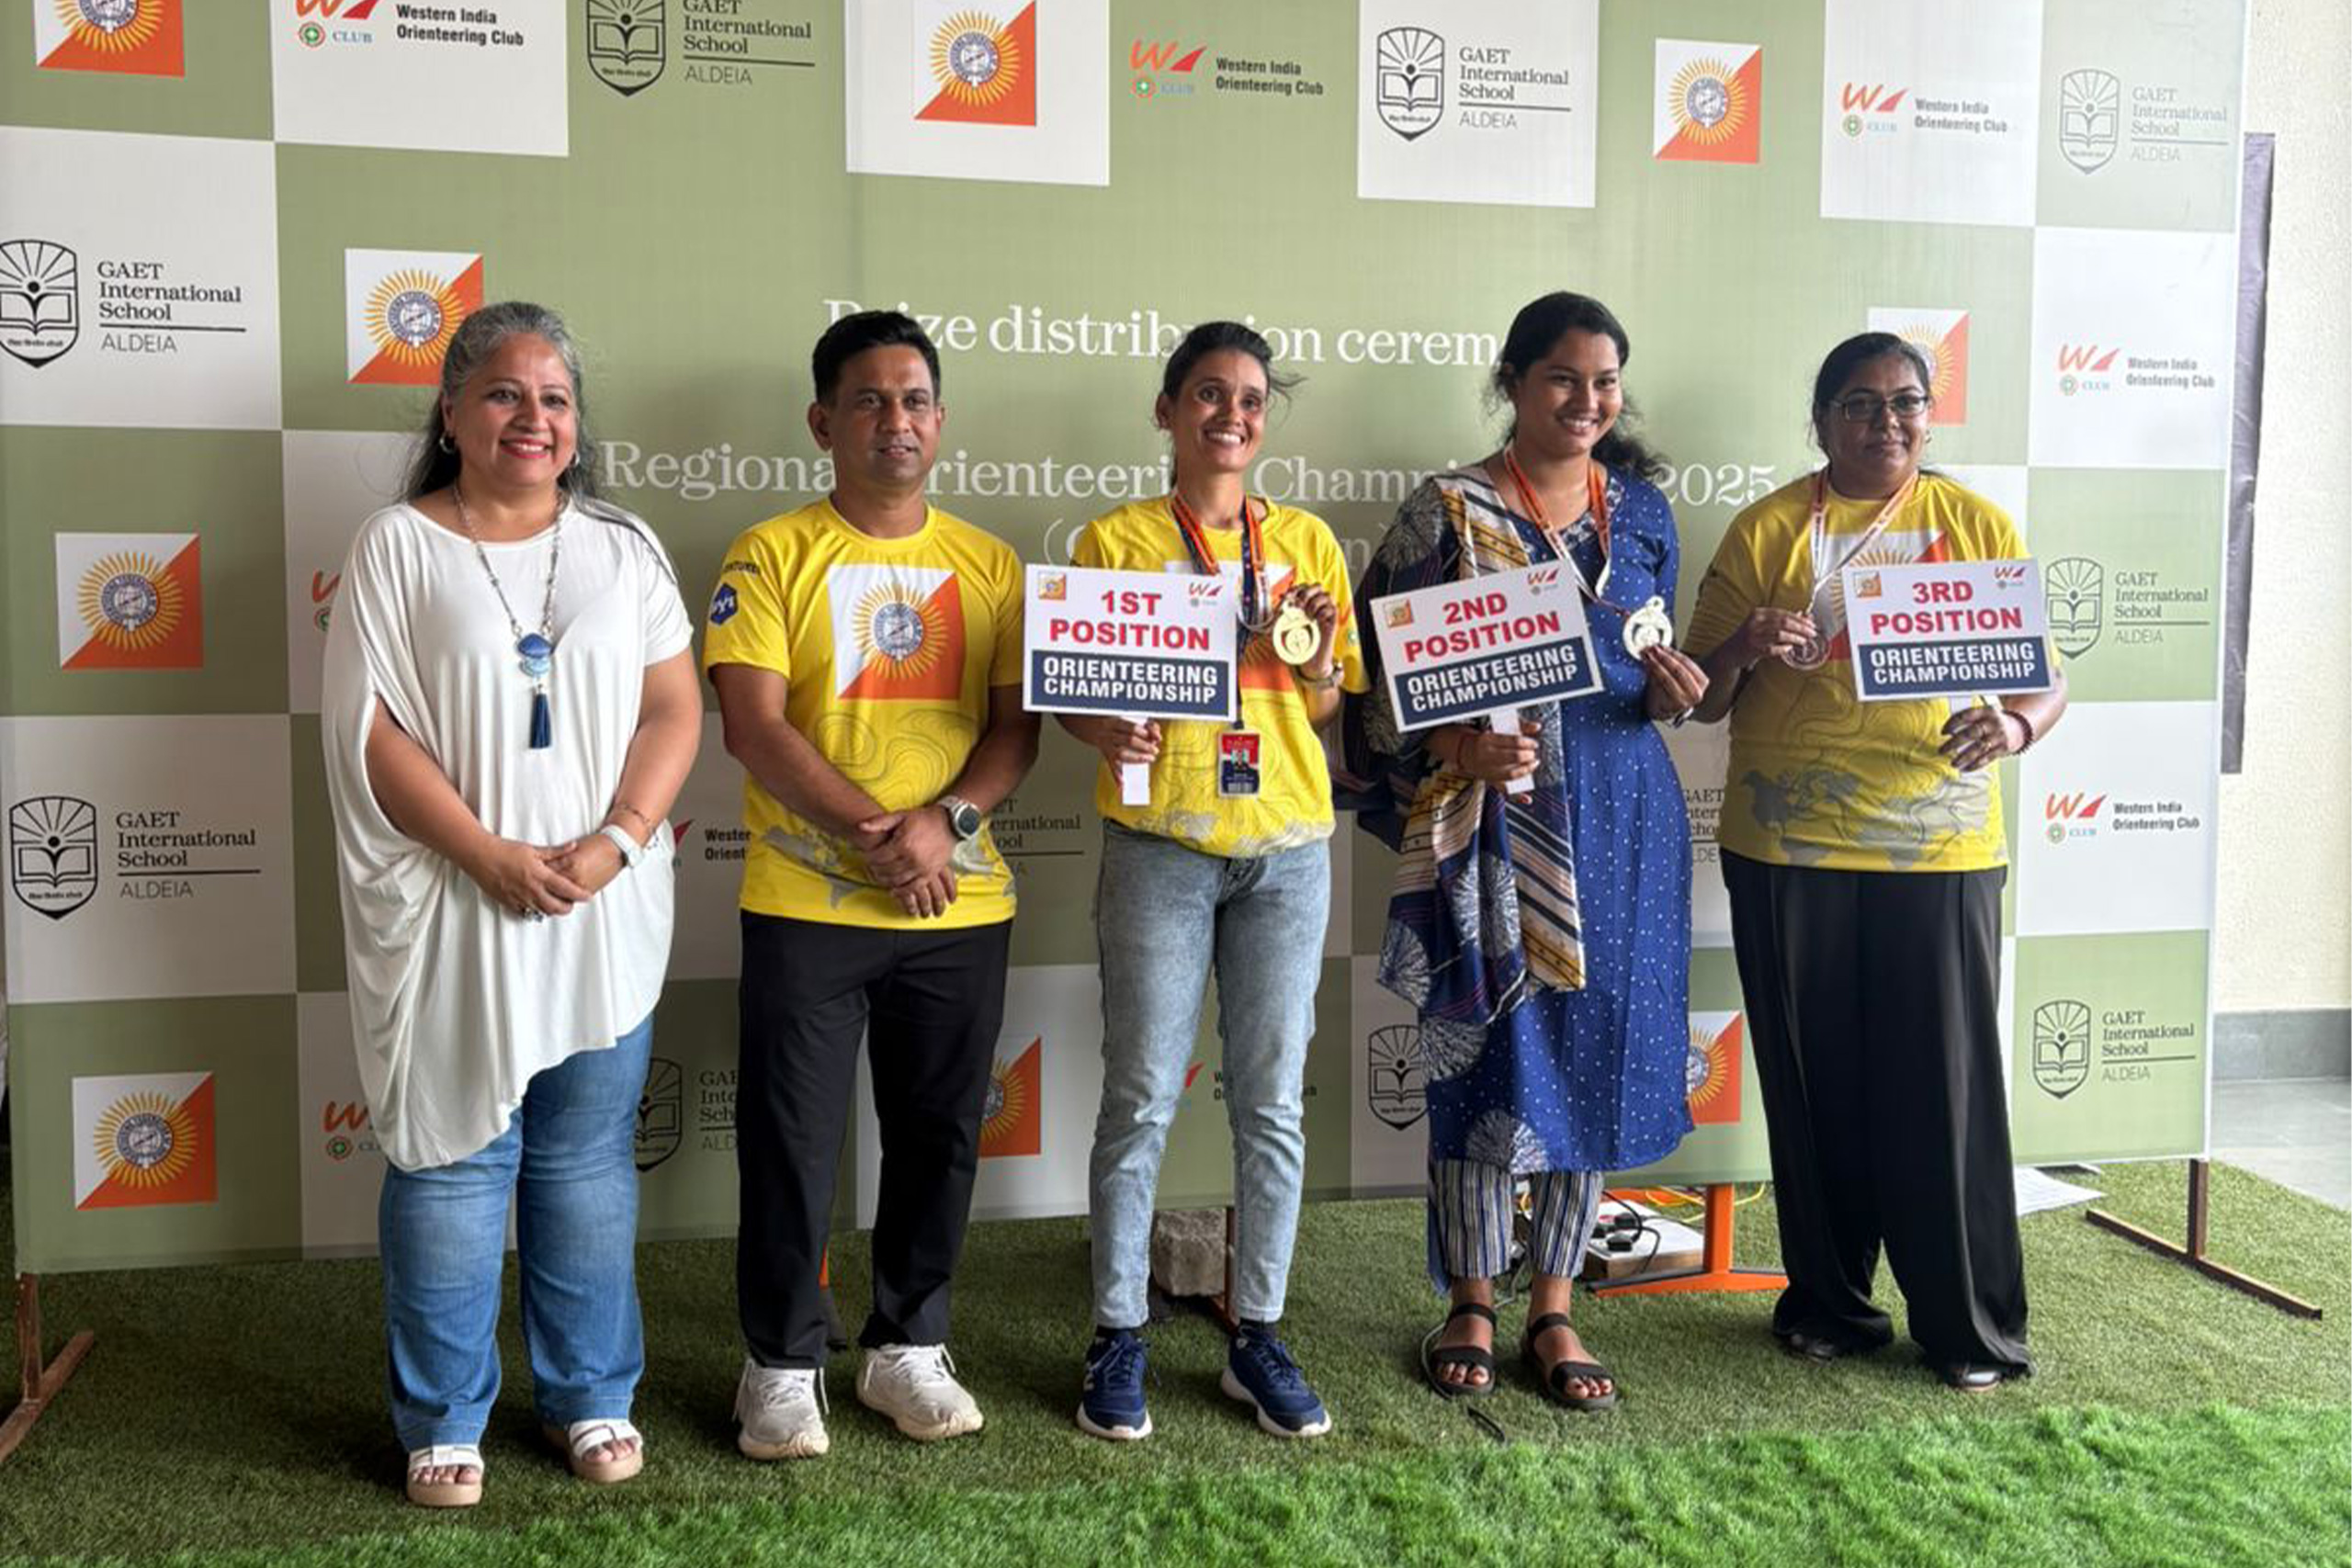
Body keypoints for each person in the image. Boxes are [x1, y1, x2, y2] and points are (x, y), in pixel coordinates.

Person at [321, 301, 701, 1506]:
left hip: (598, 903)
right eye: (503, 393)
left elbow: (672, 709)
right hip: (449, 903)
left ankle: (590, 1394)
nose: (532, 417)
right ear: (451, 413)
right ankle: (443, 1416)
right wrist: (485, 853)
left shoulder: (624, 546)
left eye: (554, 399)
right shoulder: (396, 544)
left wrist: (619, 841)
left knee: (583, 1159)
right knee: (449, 1157)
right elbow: (370, 729)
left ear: (577, 423)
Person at [1683, 332, 2069, 1391]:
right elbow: (1699, 695)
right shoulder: (1768, 527)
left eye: (1904, 402)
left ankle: (1968, 1327)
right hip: (1787, 847)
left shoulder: (1972, 524)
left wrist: (2014, 728)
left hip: (1939, 849)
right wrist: (1746, 644)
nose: (1883, 421)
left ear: (1928, 418)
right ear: (1820, 421)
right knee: (1813, 1090)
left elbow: (2041, 681)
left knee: (1943, 1091)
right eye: (1858, 403)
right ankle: (1829, 1305)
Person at [1347, 292, 1705, 1409]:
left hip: (1624, 820)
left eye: (1605, 382)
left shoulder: (1642, 513)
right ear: (1512, 381)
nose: (1586, 401)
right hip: (1490, 820)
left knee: (1594, 1048)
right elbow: (1372, 688)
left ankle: (1553, 1303)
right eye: (1562, 377)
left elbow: (1642, 663)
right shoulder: (1445, 511)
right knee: (1482, 1048)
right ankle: (1469, 1296)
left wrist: (1671, 693)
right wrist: (1457, 743)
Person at [705, 310, 1038, 1460]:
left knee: (939, 1134)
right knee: (790, 1141)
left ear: (939, 421)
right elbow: (751, 726)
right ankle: (780, 1364)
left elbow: (1014, 730)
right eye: (869, 400)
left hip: (960, 902)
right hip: (807, 901)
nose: (895, 420)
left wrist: (946, 826)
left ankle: (909, 1346)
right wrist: (875, 833)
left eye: (914, 400)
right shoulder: (769, 554)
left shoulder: (990, 564)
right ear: (822, 422)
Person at [1058, 321, 1365, 1443]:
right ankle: (1116, 1332)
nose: (1229, 414)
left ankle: (1260, 1334)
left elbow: (1323, 703)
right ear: (1167, 410)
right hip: (1161, 840)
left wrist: (1315, 655)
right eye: (1206, 393)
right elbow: (1074, 693)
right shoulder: (1115, 540)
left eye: (1248, 398)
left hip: (1286, 844)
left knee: (1271, 1099)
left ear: (1263, 419)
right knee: (1140, 1095)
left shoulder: (1308, 543)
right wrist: (1105, 728)